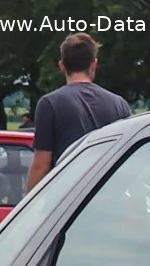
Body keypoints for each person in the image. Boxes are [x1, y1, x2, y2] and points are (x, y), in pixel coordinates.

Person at [26, 33, 131, 190]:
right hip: (108, 198)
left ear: (62, 66)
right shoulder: (120, 104)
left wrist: (28, 207)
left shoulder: (49, 104)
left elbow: (41, 166)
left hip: (66, 198)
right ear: (93, 64)